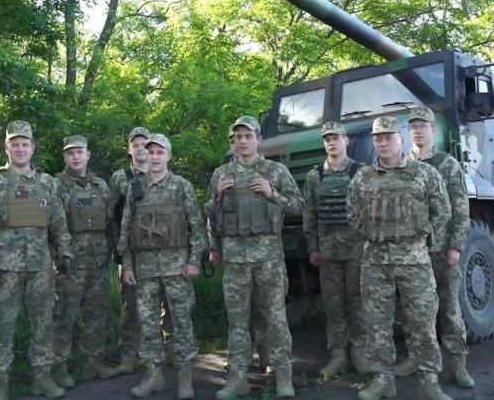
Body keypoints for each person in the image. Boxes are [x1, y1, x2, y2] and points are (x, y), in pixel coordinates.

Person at [347, 115, 452, 400]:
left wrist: (421, 232)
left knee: (422, 323)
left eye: (388, 137)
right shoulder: (362, 177)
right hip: (375, 262)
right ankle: (382, 380)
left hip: (414, 260)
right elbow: (352, 214)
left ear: (400, 139)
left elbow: (442, 210)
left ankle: (430, 382)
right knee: (377, 324)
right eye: (378, 138)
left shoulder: (424, 174)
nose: (383, 142)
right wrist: (372, 233)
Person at [0, 120, 73, 400]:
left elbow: (59, 224)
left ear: (33, 147)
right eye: (15, 144)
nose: (20, 148)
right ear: (6, 147)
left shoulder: (47, 183)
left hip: (41, 269)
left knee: (43, 326)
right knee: (2, 327)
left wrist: (64, 255)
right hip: (4, 271)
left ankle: (42, 378)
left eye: (25, 144)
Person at [207, 115, 304, 399]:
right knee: (237, 320)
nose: (242, 142)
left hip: (268, 260)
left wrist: (273, 194)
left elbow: (299, 206)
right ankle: (238, 378)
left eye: (247, 136)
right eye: (236, 138)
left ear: (258, 139)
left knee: (275, 318)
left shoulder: (275, 171)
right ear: (232, 143)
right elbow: (210, 216)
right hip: (235, 260)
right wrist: (217, 200)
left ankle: (284, 377)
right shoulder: (221, 174)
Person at [118, 134, 208, 399]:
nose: (154, 157)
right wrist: (127, 265)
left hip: (177, 267)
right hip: (144, 269)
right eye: (150, 152)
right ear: (143, 155)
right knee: (147, 324)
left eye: (160, 152)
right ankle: (153, 377)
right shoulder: (135, 188)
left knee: (182, 323)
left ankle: (185, 379)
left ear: (168, 155)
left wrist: (194, 260)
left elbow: (198, 227)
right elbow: (125, 229)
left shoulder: (181, 186)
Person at [395, 106, 474, 388]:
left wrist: (456, 246)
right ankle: (419, 358)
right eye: (413, 126)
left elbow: (461, 208)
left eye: (422, 125)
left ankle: (458, 364)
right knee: (414, 311)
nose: (417, 130)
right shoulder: (402, 166)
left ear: (433, 129)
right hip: (413, 252)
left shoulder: (446, 163)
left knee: (450, 309)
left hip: (441, 250)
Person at [49, 135, 118, 387]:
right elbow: (51, 226)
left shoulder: (100, 185)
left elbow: (110, 222)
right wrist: (56, 259)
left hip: (98, 263)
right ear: (64, 157)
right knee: (63, 316)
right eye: (70, 153)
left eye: (80, 152)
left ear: (88, 154)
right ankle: (59, 367)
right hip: (69, 265)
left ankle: (94, 363)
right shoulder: (55, 186)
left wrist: (116, 251)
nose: (75, 157)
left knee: (96, 315)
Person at [303, 121, 370, 378]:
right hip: (328, 251)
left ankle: (360, 352)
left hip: (356, 250)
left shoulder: (360, 172)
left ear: (346, 140)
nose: (332, 143)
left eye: (336, 138)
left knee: (358, 301)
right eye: (327, 139)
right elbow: (310, 214)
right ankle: (338, 355)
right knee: (333, 303)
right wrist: (313, 248)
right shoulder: (315, 176)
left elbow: (368, 211)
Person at [109, 126, 152, 374]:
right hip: (131, 250)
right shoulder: (121, 176)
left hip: (160, 250)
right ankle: (129, 355)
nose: (140, 149)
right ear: (129, 149)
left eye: (144, 144)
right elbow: (114, 213)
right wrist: (120, 250)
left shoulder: (163, 173)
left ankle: (169, 350)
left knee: (166, 302)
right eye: (135, 145)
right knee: (131, 305)